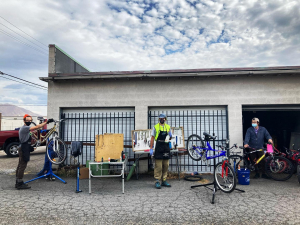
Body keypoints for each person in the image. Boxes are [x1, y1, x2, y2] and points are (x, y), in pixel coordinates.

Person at [15, 114, 53, 189]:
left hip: (23, 147)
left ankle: (18, 181)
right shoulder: (25, 127)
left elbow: (29, 133)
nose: (29, 122)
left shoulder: (25, 129)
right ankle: (19, 183)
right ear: (24, 120)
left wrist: (33, 132)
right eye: (27, 120)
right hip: (23, 148)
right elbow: (37, 126)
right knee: (22, 165)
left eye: (30, 120)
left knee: (20, 165)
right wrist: (46, 122)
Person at [150, 113, 172, 189]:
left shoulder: (168, 127)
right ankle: (157, 181)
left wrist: (170, 140)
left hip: (166, 147)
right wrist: (151, 148)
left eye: (163, 118)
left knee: (166, 165)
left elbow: (170, 137)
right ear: (159, 119)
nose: (162, 119)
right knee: (158, 166)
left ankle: (164, 180)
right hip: (158, 147)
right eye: (160, 118)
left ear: (165, 119)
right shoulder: (155, 127)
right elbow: (152, 138)